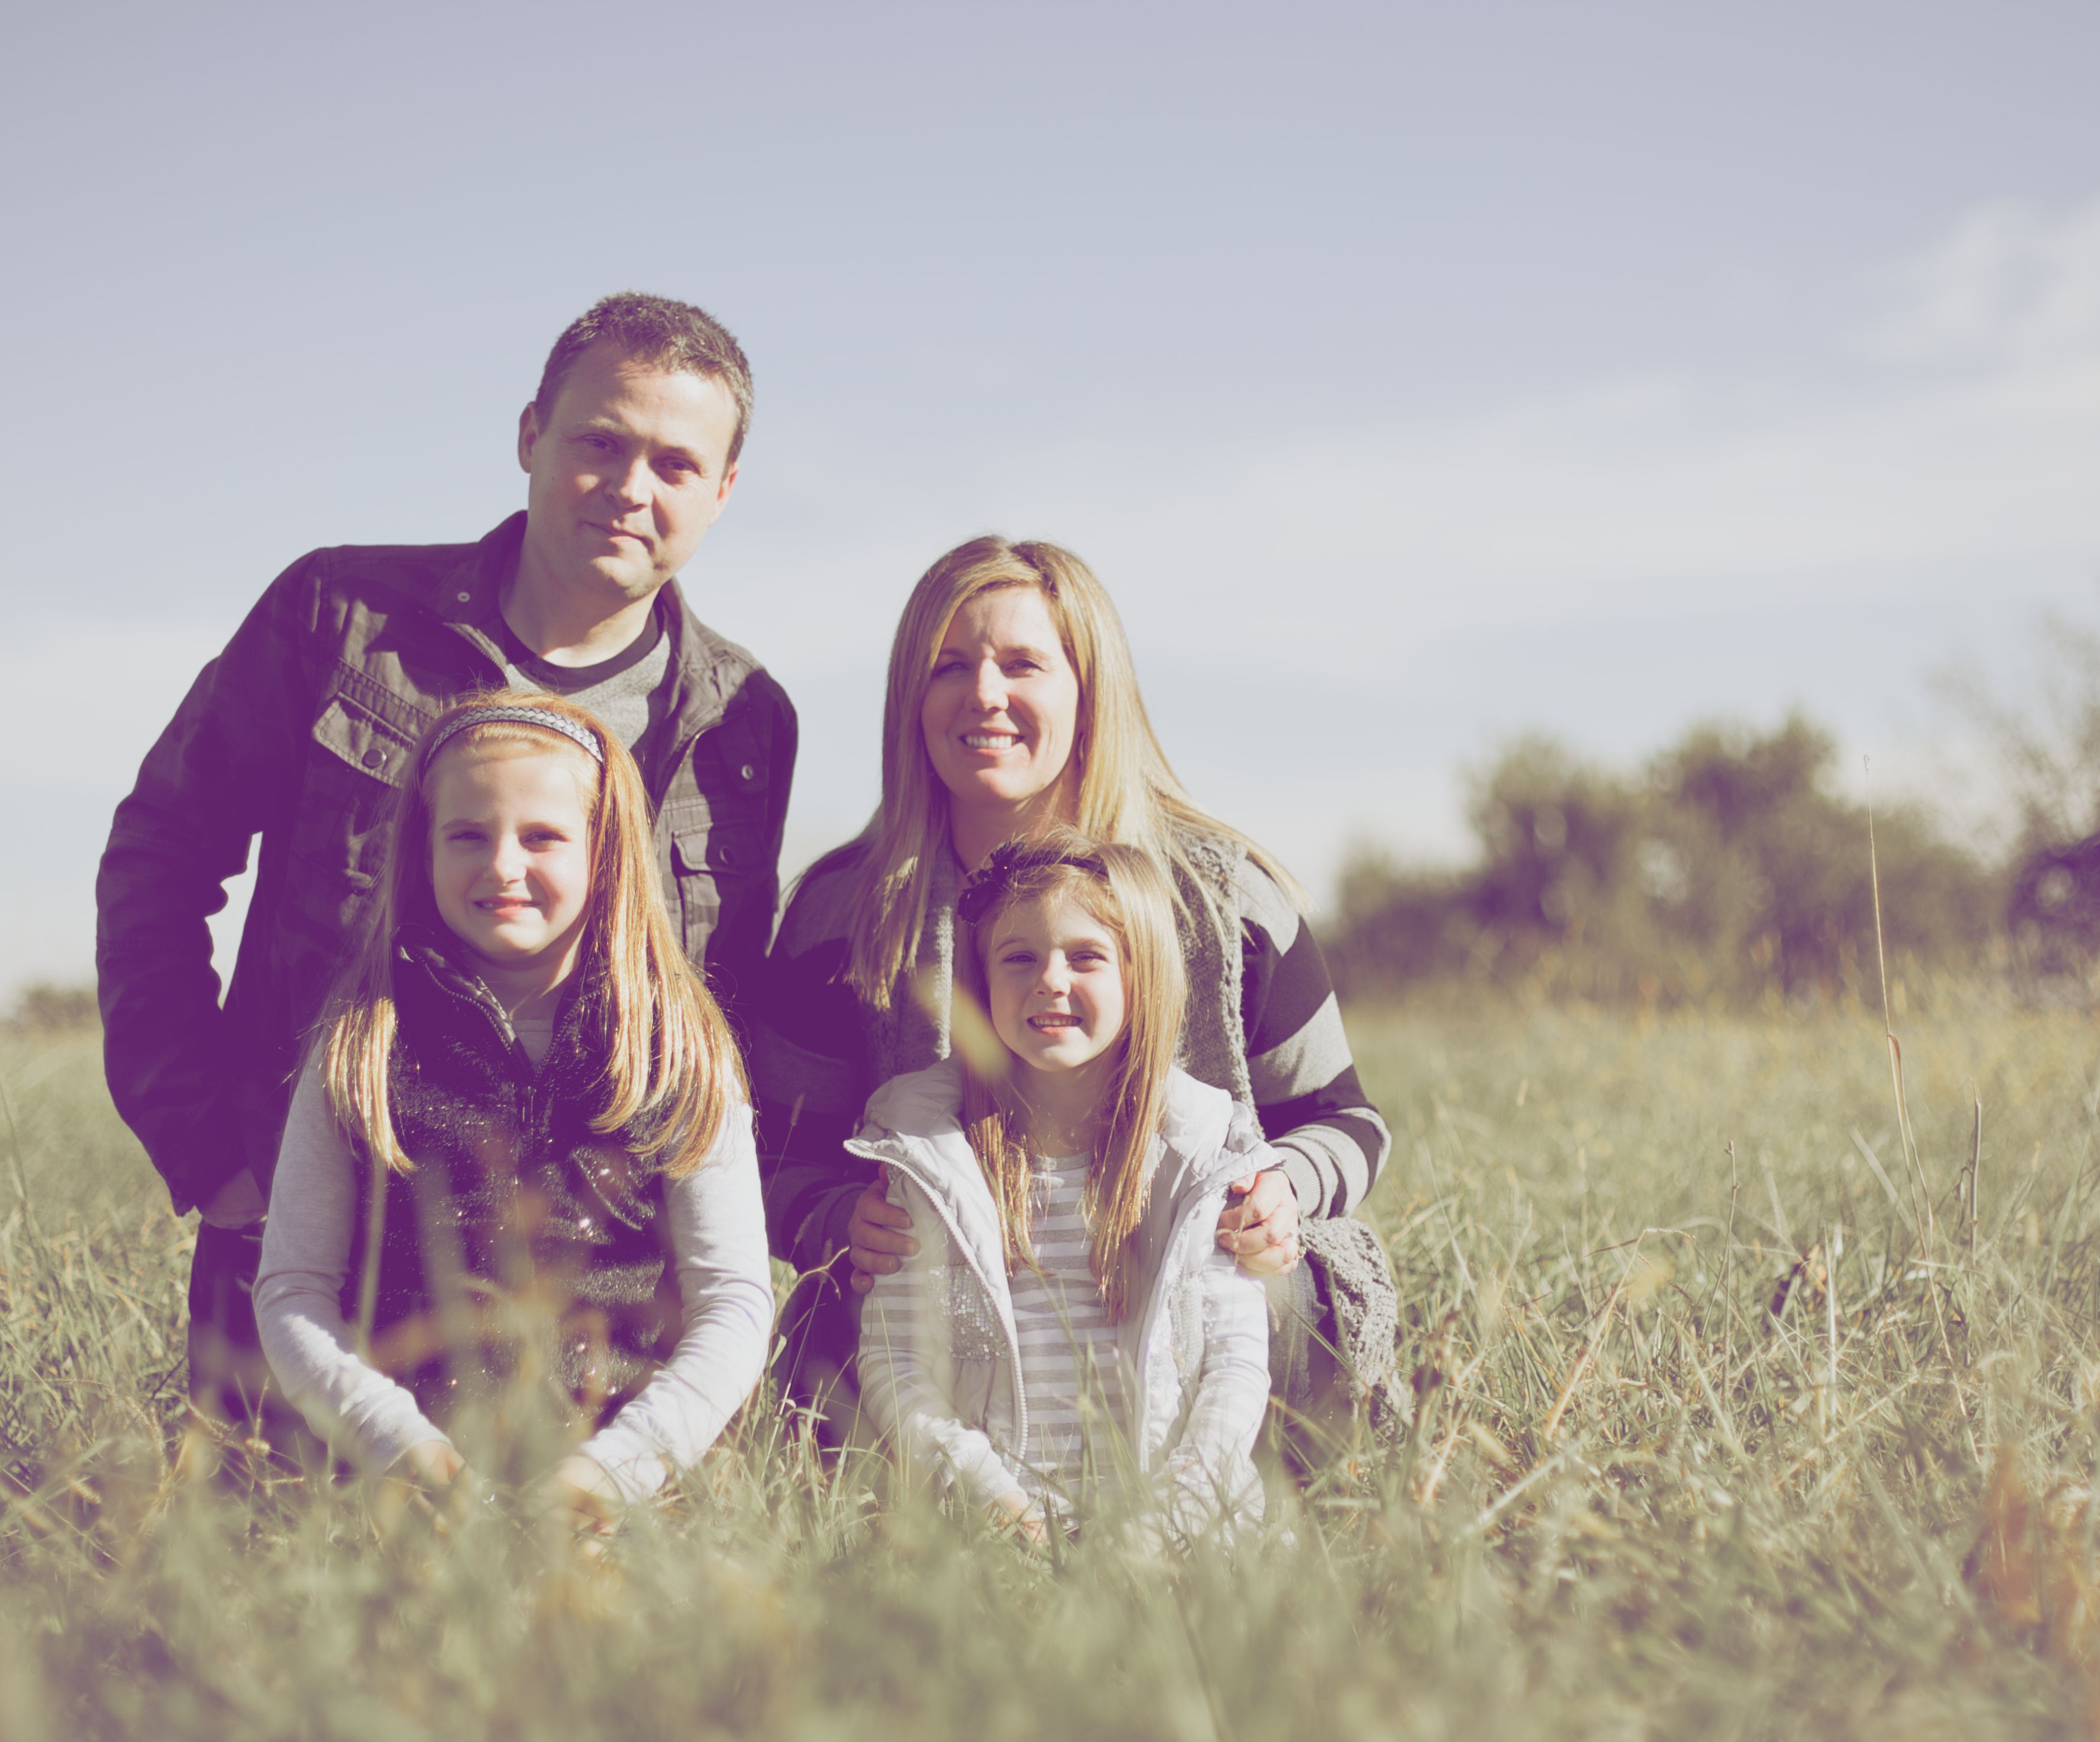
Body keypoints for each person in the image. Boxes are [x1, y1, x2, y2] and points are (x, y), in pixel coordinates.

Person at [97, 293, 795, 1427]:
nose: (631, 488)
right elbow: (160, 856)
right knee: (276, 1594)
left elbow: (721, 1009)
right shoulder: (340, 616)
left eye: (675, 463)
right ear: (530, 437)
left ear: (721, 493)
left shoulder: (744, 720)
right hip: (311, 1275)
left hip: (604, 1323)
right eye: (600, 444)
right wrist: (205, 1146)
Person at [753, 536, 1403, 1450]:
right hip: (946, 1318)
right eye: (949, 667)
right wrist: (833, 1219)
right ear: (911, 699)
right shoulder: (844, 912)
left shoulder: (1225, 897)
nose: (984, 694)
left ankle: (1244, 1520)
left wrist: (1281, 1189)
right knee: (841, 1330)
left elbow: (1348, 1122)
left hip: (1199, 1297)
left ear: (1088, 693)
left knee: (1277, 1294)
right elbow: (775, 1156)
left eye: (1022, 664)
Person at [252, 692, 771, 1524]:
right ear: (422, 850)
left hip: (629, 1506)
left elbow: (734, 1298)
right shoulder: (360, 1044)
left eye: (542, 837)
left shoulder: (678, 1047)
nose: (500, 865)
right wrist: (403, 1450)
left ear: (605, 853)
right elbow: (293, 1289)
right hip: (403, 1503)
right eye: (467, 834)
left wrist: (616, 1471)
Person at [854, 829, 1270, 1544]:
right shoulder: (931, 1152)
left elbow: (1235, 1364)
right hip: (985, 1531)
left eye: (1086, 957)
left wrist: (1165, 1521)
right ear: (982, 986)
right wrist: (990, 1500)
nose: (1050, 979)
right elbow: (894, 1357)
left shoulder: (1199, 1152)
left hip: (1178, 1535)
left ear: (1143, 978)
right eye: (1019, 958)